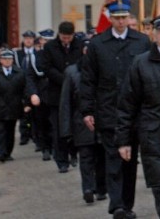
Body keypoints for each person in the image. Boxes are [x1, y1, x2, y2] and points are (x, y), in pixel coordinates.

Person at [80, 0, 150, 219]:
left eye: (124, 17)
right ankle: (117, 205)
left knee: (130, 162)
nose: (121, 21)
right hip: (108, 110)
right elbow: (88, 79)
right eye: (117, 17)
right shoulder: (98, 44)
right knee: (113, 158)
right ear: (110, 18)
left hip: (136, 111)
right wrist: (87, 110)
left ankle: (126, 205)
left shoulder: (142, 41)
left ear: (130, 18)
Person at [116, 12, 160, 219]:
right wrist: (124, 141)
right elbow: (127, 104)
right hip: (153, 137)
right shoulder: (141, 63)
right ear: (154, 35)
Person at [61, 38, 107, 205]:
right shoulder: (72, 72)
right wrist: (66, 129)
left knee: (102, 157)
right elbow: (66, 102)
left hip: (102, 120)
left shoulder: (104, 68)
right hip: (81, 122)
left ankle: (101, 188)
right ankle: (87, 188)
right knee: (86, 157)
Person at [0, 49, 40, 163]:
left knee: (10, 131)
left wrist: (27, 104)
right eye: (5, 59)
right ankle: (0, 152)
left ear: (12, 60)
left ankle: (8, 152)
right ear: (1, 60)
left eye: (9, 59)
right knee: (1, 130)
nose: (7, 61)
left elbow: (26, 89)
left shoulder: (19, 73)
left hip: (14, 106)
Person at [40, 21, 83, 173]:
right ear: (59, 34)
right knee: (58, 129)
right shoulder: (50, 47)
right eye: (63, 37)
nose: (66, 40)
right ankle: (61, 160)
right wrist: (64, 79)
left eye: (68, 37)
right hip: (56, 93)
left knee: (76, 126)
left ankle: (74, 154)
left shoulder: (80, 45)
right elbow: (46, 68)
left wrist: (73, 80)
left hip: (76, 94)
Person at [16, 30, 37, 146]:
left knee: (35, 113)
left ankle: (35, 135)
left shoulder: (38, 53)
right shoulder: (18, 54)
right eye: (26, 38)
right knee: (23, 113)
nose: (28, 40)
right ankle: (24, 135)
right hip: (21, 86)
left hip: (34, 87)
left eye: (30, 38)